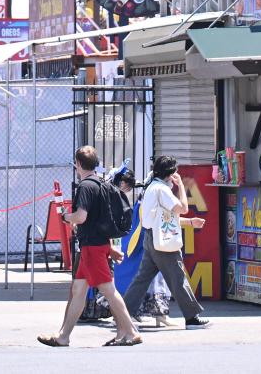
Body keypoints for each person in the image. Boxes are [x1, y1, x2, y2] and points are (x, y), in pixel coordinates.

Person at [38, 146, 142, 348]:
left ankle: (130, 331)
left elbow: (81, 217)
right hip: (97, 244)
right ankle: (63, 336)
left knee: (109, 291)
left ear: (77, 164)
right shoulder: (102, 184)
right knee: (78, 290)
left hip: (92, 247)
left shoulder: (85, 186)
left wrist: (66, 217)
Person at [122, 155, 209, 329]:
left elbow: (164, 219)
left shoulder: (152, 188)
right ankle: (191, 318)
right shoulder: (162, 190)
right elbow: (183, 208)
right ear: (170, 174)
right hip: (162, 242)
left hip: (151, 238)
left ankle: (123, 314)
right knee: (177, 277)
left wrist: (190, 222)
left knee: (142, 279)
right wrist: (182, 186)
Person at [113, 170, 172, 327]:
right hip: (142, 243)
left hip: (151, 241)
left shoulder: (150, 195)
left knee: (156, 278)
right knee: (141, 278)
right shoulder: (149, 197)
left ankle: (160, 314)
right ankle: (127, 314)